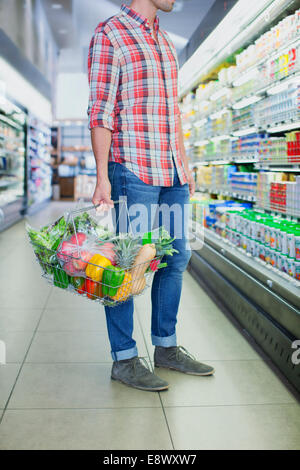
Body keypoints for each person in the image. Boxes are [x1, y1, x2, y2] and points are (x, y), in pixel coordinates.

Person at [87, 0, 214, 392]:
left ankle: (166, 347)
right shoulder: (110, 34)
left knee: (177, 257)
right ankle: (124, 358)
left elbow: (171, 112)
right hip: (133, 171)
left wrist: (186, 164)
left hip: (171, 172)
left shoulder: (165, 42)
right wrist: (102, 177)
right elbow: (100, 112)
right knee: (127, 267)